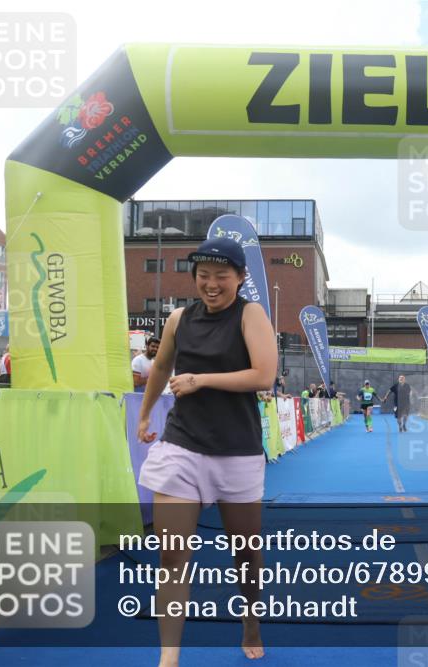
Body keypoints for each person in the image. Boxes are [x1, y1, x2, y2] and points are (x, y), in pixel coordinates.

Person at [136, 238, 277, 666]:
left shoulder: (251, 315)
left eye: (221, 276)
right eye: (203, 276)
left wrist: (202, 380)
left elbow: (264, 375)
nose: (211, 284)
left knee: (246, 553)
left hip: (237, 450)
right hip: (182, 445)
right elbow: (161, 365)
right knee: (173, 555)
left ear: (240, 278)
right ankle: (169, 656)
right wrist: (144, 416)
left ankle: (250, 617)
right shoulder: (180, 317)